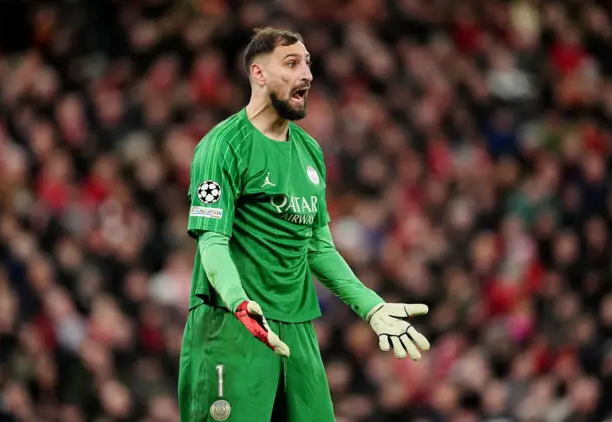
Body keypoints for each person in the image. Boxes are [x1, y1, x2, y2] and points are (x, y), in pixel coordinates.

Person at [178, 27, 431, 422]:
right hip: (232, 325)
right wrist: (239, 302)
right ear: (258, 74)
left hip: (297, 329)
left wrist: (370, 306)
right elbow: (212, 242)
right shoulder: (223, 146)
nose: (307, 75)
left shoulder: (310, 150)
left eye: (308, 64)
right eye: (292, 64)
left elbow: (317, 246)